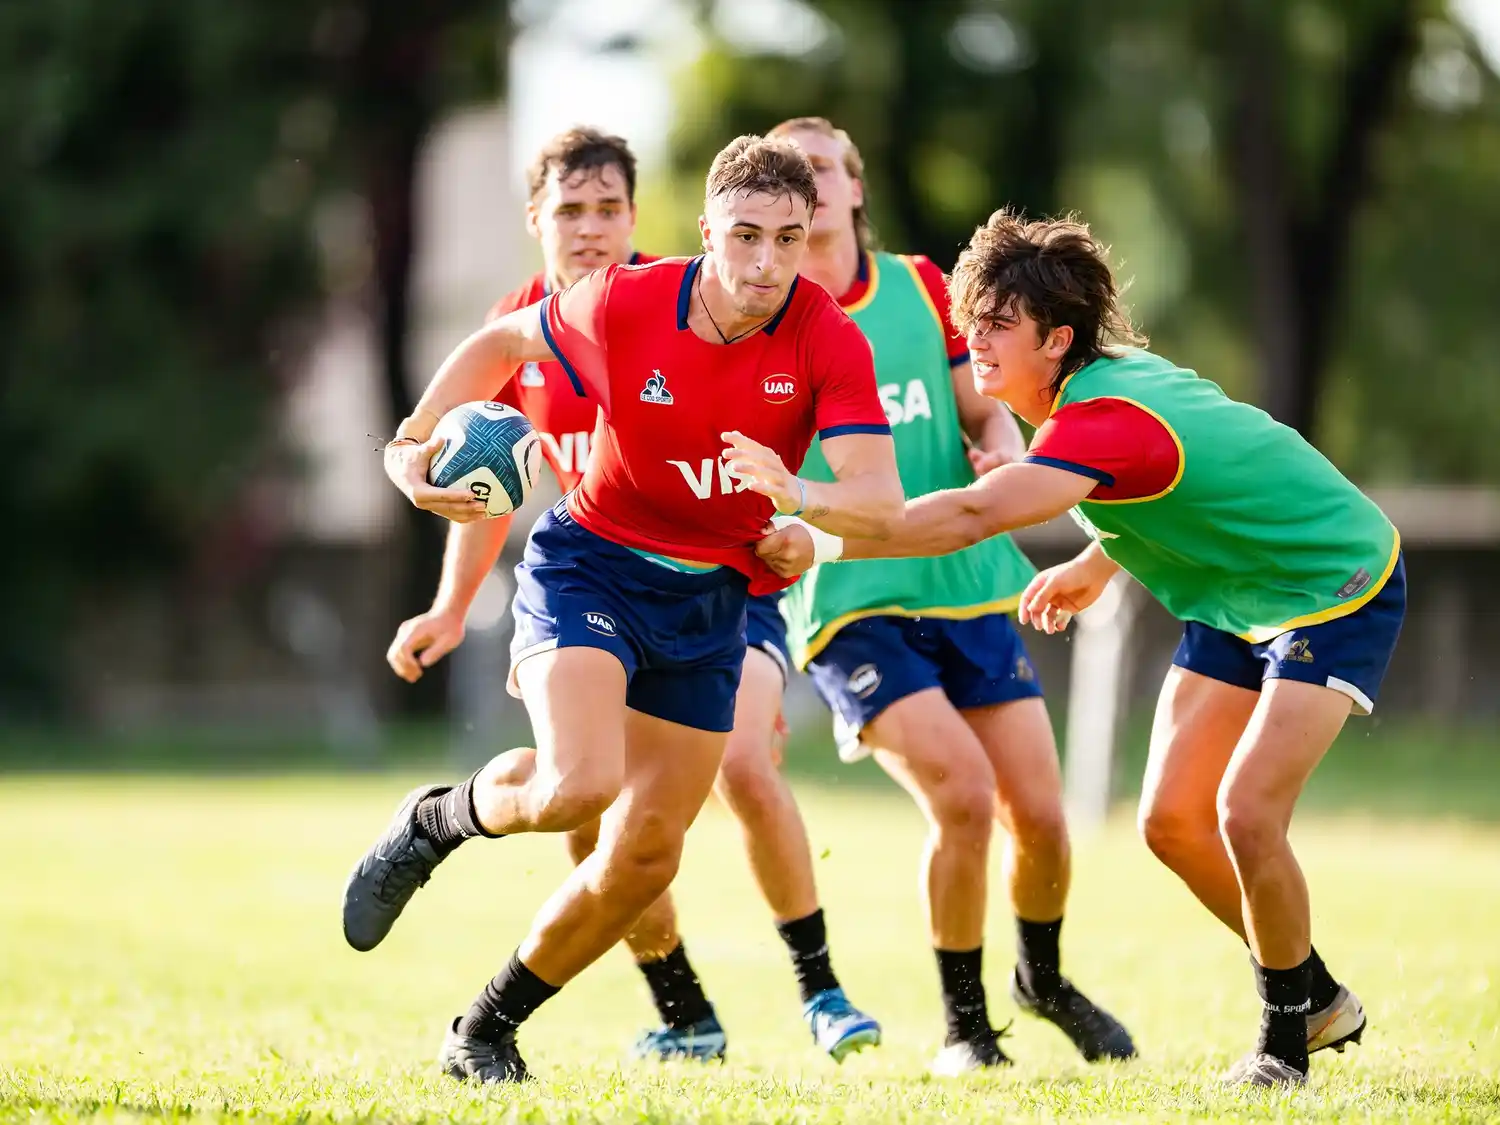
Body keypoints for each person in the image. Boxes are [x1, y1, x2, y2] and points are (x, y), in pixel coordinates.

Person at [747, 207, 1398, 1088]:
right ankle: (1313, 992)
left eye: (998, 324)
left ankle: (1284, 1044)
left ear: (1057, 340)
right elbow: (1192, 477)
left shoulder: (1098, 418)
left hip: (1333, 583)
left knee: (1245, 811)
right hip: (1238, 597)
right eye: (971, 319)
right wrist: (1099, 560)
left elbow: (971, 514)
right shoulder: (1089, 396)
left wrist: (818, 526)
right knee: (1172, 822)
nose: (975, 339)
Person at [346, 133, 903, 1084]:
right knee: (579, 788)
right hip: (592, 568)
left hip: (713, 599)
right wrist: (411, 445)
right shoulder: (627, 301)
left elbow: (879, 499)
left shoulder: (827, 336)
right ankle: (437, 821)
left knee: (647, 856)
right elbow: (501, 343)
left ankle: (484, 1029)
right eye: (745, 235)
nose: (767, 262)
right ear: (705, 233)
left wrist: (801, 498)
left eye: (789, 238)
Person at [757, 117, 1135, 1075]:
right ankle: (967, 1029)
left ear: (854, 187)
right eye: (792, 173)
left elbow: (985, 411)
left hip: (967, 581)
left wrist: (1002, 449)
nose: (811, 184)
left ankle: (1042, 980)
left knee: (1040, 817)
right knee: (963, 796)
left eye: (825, 167)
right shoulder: (764, 314)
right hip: (850, 595)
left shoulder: (922, 287)